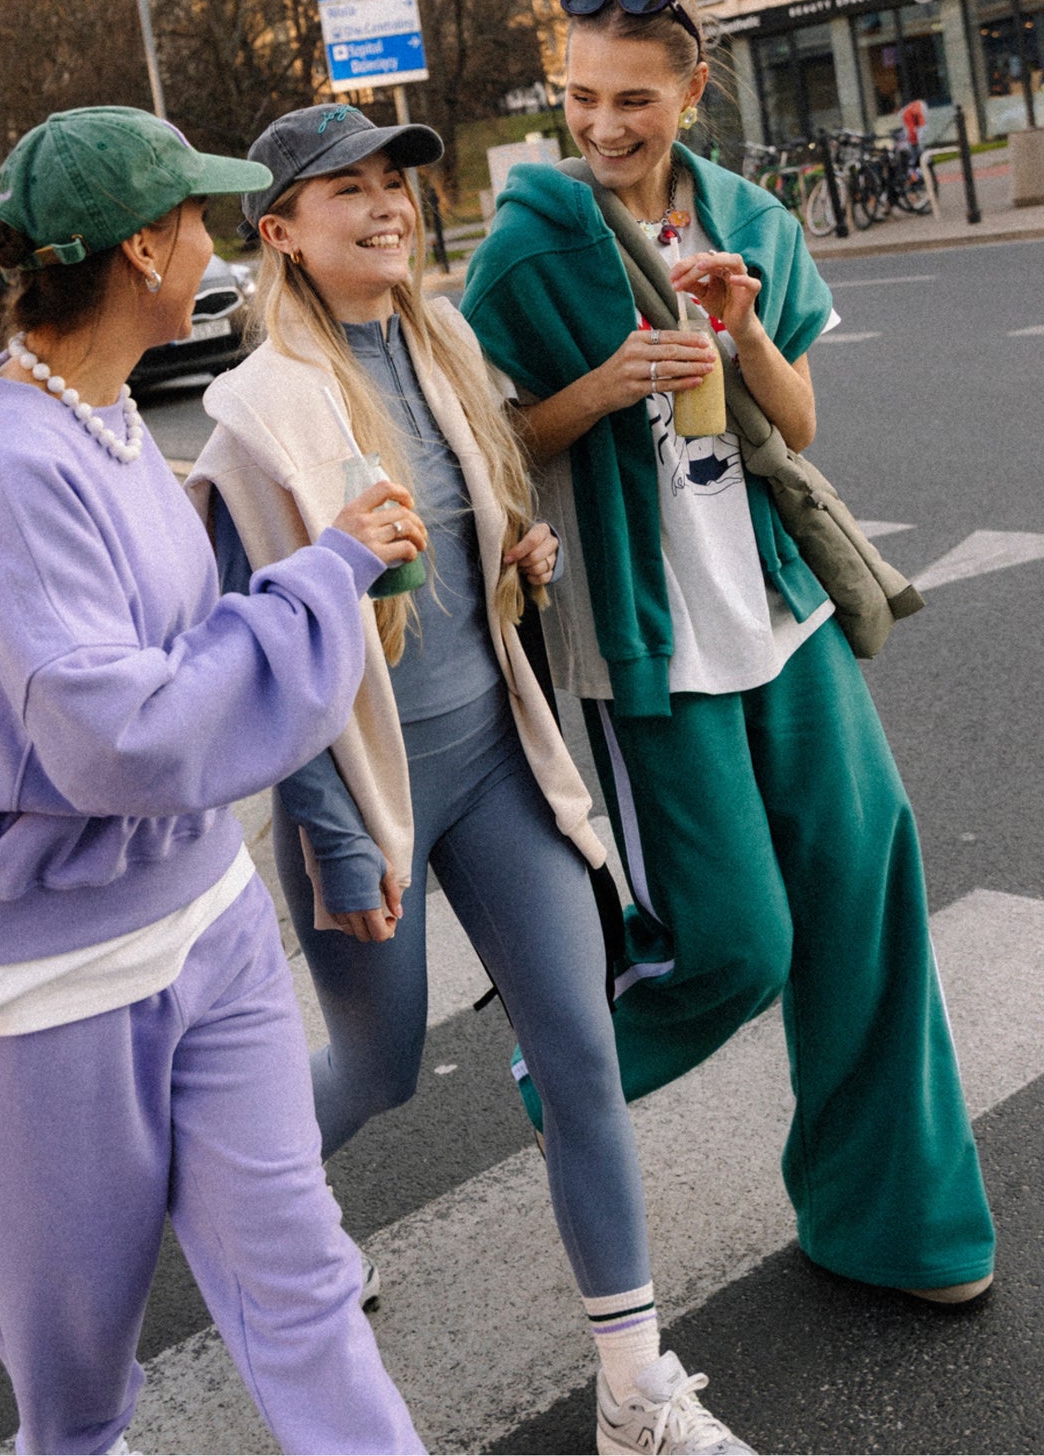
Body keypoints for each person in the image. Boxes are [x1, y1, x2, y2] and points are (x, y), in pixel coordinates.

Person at [188, 103, 752, 1456]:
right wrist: (334, 841)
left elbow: (461, 536)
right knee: (378, 1070)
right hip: (363, 795)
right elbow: (256, 658)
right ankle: (233, 1203)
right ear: (281, 232)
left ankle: (633, 1390)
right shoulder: (255, 413)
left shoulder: (440, 345)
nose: (386, 205)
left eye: (394, 183)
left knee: (579, 1056)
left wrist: (512, 556)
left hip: (497, 759)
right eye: (347, 191)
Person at [0, 106, 424, 1456]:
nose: (212, 247)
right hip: (58, 982)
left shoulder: (108, 415)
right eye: (193, 222)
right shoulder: (1, 464)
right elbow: (121, 736)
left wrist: (313, 571)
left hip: (209, 924)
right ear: (138, 252)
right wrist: (324, 578)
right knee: (74, 1396)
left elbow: (175, 648)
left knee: (304, 1292)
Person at [461, 0, 996, 1312]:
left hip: (776, 611)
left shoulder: (750, 220)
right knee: (735, 943)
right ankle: (567, 1065)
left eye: (631, 99)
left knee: (864, 899)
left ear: (690, 93)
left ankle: (895, 1227)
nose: (602, 124)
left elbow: (795, 425)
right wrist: (602, 387)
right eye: (580, 96)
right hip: (647, 642)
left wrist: (743, 328)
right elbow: (484, 450)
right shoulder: (527, 250)